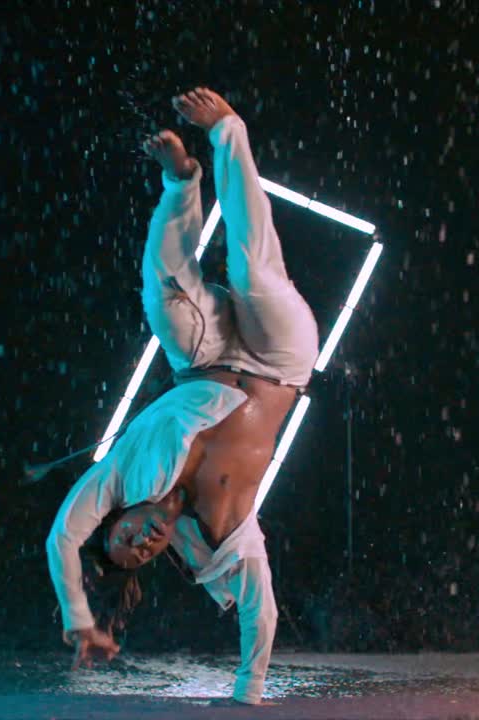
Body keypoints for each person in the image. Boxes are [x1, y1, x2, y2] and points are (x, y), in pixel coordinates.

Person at [45, 87, 319, 706]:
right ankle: (227, 130)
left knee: (161, 292)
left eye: (123, 540)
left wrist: (80, 619)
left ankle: (182, 181)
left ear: (118, 520)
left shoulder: (120, 479)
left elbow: (62, 535)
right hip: (280, 363)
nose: (139, 545)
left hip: (206, 356)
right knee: (252, 269)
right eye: (143, 555)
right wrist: (247, 693)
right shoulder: (222, 540)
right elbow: (260, 613)